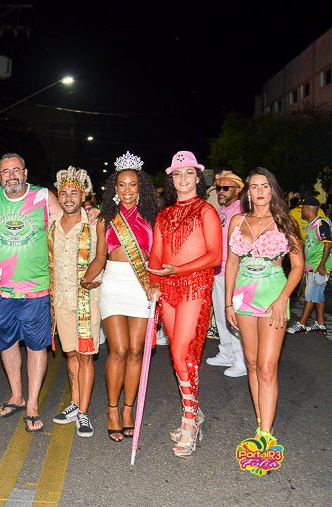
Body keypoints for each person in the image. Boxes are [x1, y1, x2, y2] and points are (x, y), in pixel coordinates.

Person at [148, 150, 222, 458]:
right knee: (180, 355)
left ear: (197, 177)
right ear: (171, 179)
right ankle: (193, 410)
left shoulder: (206, 211)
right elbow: (156, 253)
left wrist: (178, 270)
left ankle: (190, 420)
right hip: (167, 287)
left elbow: (215, 256)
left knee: (181, 351)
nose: (183, 178)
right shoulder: (164, 215)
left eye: (188, 173)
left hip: (194, 286)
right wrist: (154, 282)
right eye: (177, 174)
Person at [81, 151, 158, 442]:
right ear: (114, 187)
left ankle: (128, 409)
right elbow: (100, 257)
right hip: (113, 284)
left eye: (132, 185)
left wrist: (157, 283)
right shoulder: (106, 218)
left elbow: (157, 257)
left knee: (137, 351)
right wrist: (84, 280)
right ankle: (112, 409)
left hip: (141, 285)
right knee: (120, 349)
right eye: (122, 185)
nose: (127, 190)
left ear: (141, 188)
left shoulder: (152, 218)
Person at [0, 153, 63, 433]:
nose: (12, 176)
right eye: (6, 171)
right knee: (6, 343)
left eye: (16, 170)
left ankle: (32, 404)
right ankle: (16, 396)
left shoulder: (43, 196)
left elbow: (68, 222)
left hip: (36, 288)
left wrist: (89, 212)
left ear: (25, 172)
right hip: (1, 289)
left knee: (35, 345)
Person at [225, 167, 303, 442]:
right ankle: (260, 421)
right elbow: (232, 263)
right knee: (252, 362)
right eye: (254, 186)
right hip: (243, 298)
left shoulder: (285, 222)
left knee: (268, 366)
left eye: (265, 186)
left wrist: (283, 299)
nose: (259, 191)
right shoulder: (238, 221)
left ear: (273, 190)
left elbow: (298, 266)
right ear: (248, 192)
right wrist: (228, 304)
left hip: (273, 298)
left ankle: (266, 434)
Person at [48, 166, 100, 438]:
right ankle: (75, 402)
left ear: (83, 196)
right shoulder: (52, 223)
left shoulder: (94, 222)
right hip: (61, 300)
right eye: (64, 193)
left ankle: (83, 412)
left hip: (87, 300)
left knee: (85, 356)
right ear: (58, 196)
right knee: (70, 354)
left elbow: (102, 256)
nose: (69, 198)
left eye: (74, 193)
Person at [205, 170, 247, 377]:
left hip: (232, 272)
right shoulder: (222, 210)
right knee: (221, 316)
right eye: (218, 188)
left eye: (225, 188)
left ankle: (241, 361)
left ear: (237, 190)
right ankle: (227, 353)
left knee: (234, 316)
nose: (220, 191)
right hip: (217, 269)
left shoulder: (241, 211)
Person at [287, 196, 331, 334]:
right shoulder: (311, 225)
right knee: (318, 296)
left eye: (302, 209)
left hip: (318, 266)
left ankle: (301, 324)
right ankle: (320, 324)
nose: (301, 212)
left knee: (310, 296)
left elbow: (328, 243)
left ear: (308, 209)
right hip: (312, 265)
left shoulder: (320, 223)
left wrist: (322, 265)